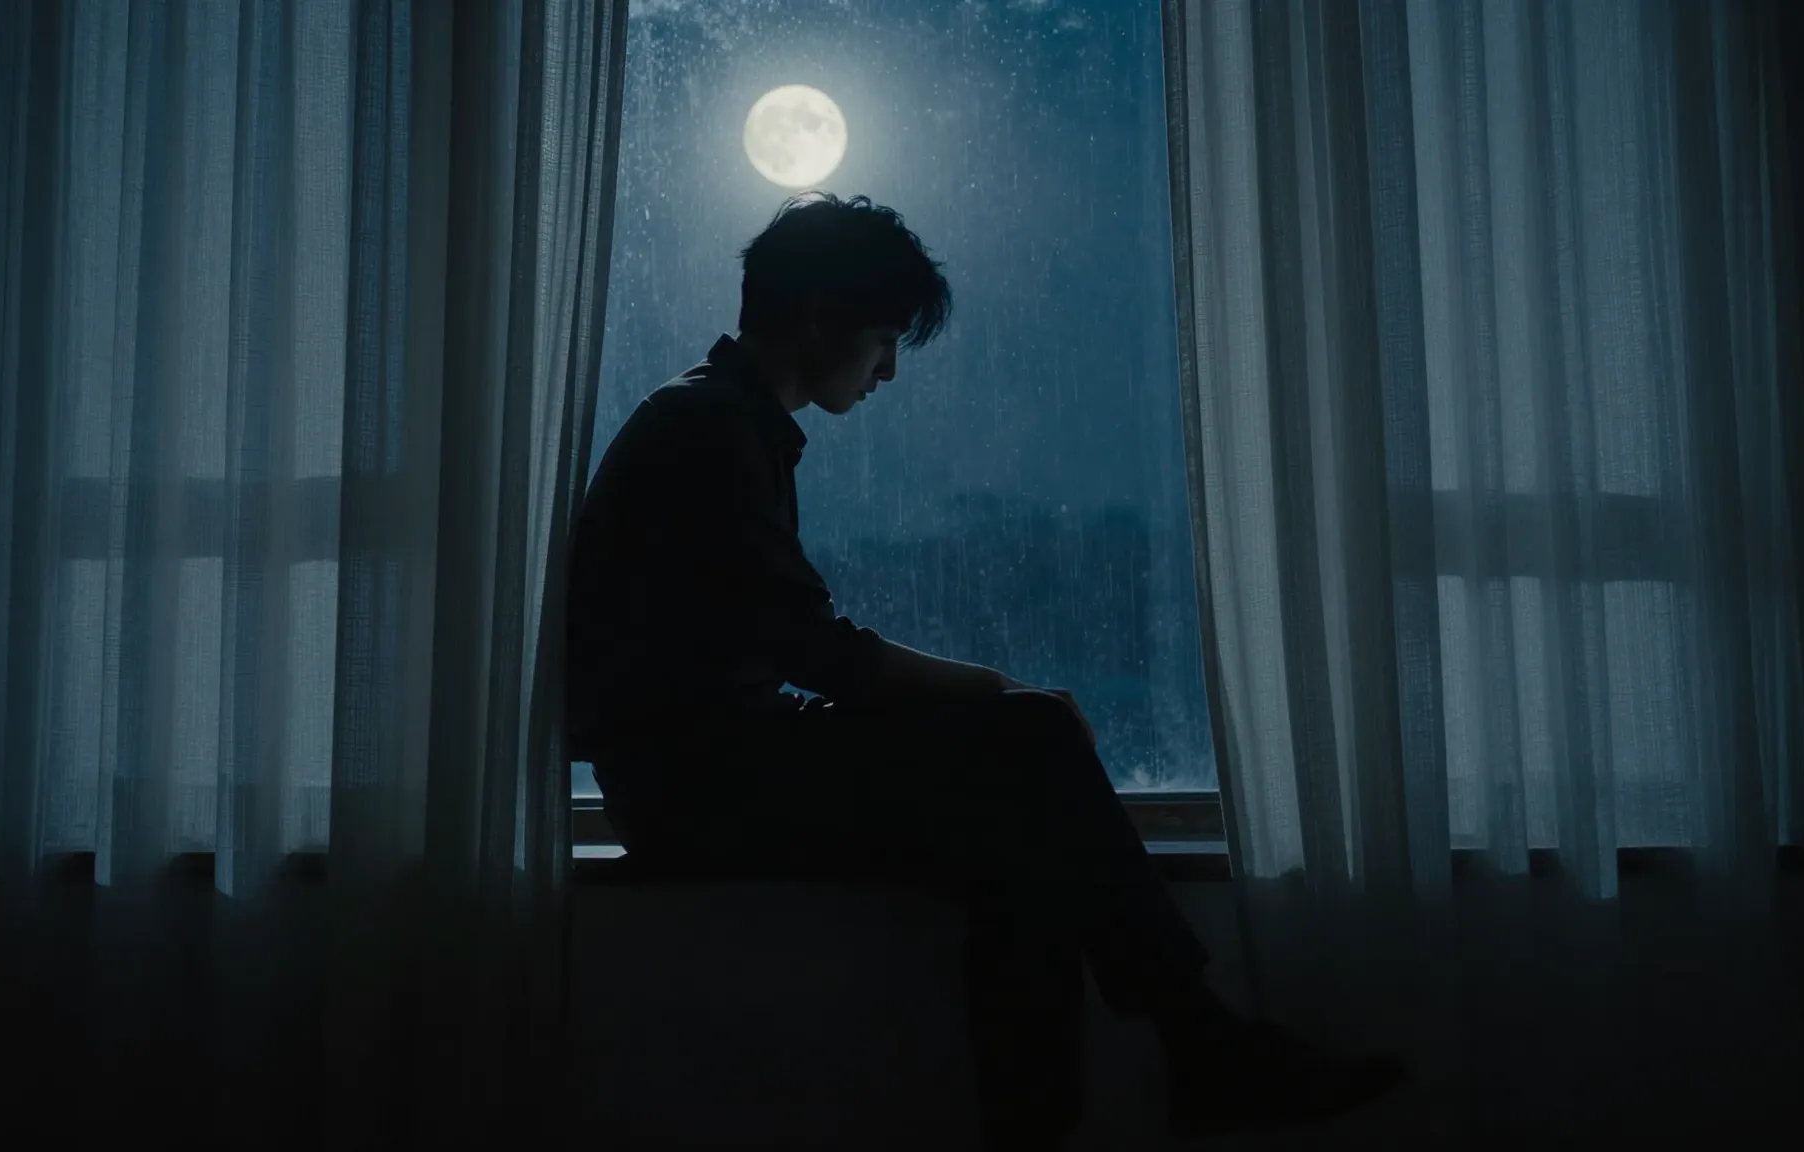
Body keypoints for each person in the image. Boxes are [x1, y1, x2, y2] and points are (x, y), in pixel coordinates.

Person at [566, 193, 1402, 1148]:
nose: (887, 370)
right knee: (1031, 736)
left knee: (1020, 847)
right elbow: (820, 653)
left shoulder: (717, 419)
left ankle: (1133, 1082)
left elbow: (789, 646)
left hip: (705, 771)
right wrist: (997, 689)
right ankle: (1202, 1045)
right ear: (821, 318)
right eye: (885, 339)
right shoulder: (708, 428)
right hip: (699, 787)